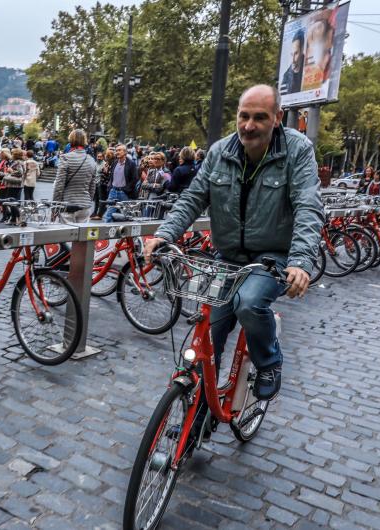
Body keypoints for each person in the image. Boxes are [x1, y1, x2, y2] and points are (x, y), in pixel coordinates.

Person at [144, 84, 324, 401]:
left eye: (259, 117)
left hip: (272, 256)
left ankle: (269, 361)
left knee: (249, 302)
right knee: (207, 336)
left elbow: (308, 206)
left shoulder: (297, 149)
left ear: (278, 118)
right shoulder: (219, 152)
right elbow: (193, 199)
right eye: (243, 116)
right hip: (226, 256)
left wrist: (300, 262)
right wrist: (165, 234)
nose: (249, 125)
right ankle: (196, 416)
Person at [52, 129, 97, 223]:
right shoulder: (91, 160)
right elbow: (92, 186)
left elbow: (59, 186)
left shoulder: (65, 158)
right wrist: (88, 201)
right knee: (82, 237)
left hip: (68, 205)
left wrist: (55, 208)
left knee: (67, 236)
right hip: (84, 206)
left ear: (71, 140)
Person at [103, 144, 138, 222]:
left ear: (125, 152)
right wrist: (110, 187)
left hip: (125, 193)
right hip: (113, 192)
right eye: (116, 150)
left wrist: (126, 189)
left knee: (128, 216)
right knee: (108, 215)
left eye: (119, 150)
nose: (117, 152)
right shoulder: (114, 163)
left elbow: (135, 179)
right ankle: (109, 233)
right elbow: (111, 177)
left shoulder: (131, 164)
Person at [3, 148, 26, 225]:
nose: (11, 155)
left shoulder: (18, 162)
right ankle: (13, 219)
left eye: (13, 153)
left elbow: (20, 172)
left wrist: (11, 171)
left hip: (14, 185)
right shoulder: (19, 162)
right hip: (15, 185)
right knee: (12, 202)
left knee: (12, 202)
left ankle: (20, 218)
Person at [280, 29, 305, 95]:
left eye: (296, 53)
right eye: (292, 54)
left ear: (302, 49)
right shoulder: (286, 76)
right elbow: (281, 99)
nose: (293, 60)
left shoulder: (310, 68)